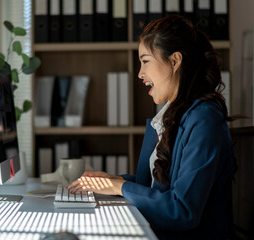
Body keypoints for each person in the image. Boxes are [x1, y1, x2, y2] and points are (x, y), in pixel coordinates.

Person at [67, 15, 236, 239]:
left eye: (145, 61)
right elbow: (159, 187)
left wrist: (119, 188)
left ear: (175, 61)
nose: (140, 74)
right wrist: (115, 181)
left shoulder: (204, 120)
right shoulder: (177, 114)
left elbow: (182, 210)